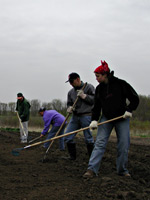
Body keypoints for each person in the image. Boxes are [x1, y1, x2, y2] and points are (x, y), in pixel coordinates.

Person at [83, 61, 139, 178]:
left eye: (98, 76)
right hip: (106, 118)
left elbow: (135, 98)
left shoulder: (121, 84)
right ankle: (92, 169)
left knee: (123, 144)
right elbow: (97, 106)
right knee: (99, 143)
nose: (96, 79)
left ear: (105, 74)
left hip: (121, 118)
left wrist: (129, 110)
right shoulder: (99, 89)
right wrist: (94, 120)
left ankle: (122, 170)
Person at [64, 72, 95, 160]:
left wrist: (84, 96)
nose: (71, 84)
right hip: (75, 117)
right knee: (68, 136)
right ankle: (72, 157)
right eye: (69, 82)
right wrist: (69, 108)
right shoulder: (71, 92)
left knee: (88, 139)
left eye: (72, 81)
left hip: (86, 116)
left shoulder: (89, 87)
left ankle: (92, 160)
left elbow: (95, 100)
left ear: (78, 79)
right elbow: (69, 103)